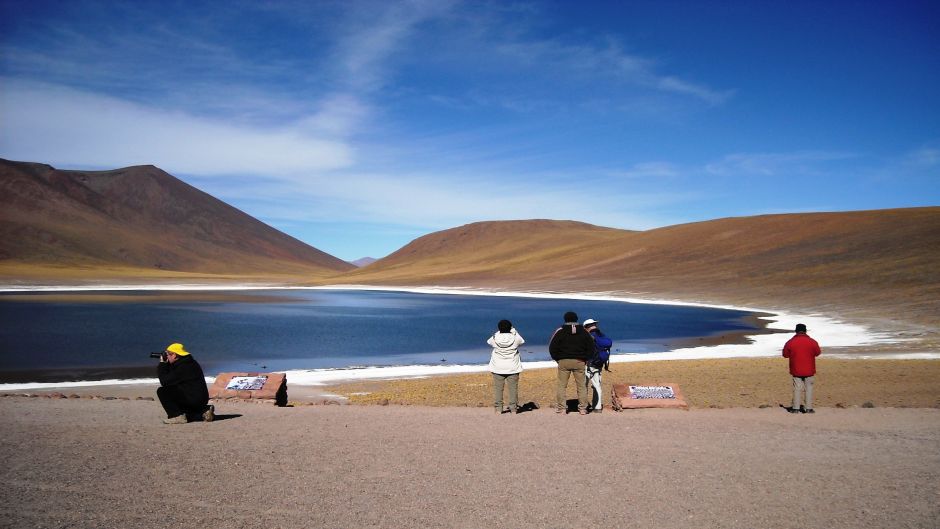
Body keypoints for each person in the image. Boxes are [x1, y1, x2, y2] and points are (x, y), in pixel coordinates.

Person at [156, 342, 214, 424]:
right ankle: (203, 411)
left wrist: (162, 364)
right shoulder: (190, 362)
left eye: (168, 354)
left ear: (175, 355)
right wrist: (167, 364)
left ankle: (176, 416)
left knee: (162, 391)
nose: (167, 356)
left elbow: (164, 382)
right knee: (176, 392)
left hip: (192, 399)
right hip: (201, 399)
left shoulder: (182, 367)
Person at [549, 311, 594, 414]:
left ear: (565, 319)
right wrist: (586, 359)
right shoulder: (584, 331)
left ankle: (562, 408)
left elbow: (552, 346)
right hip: (579, 361)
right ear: (576, 319)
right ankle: (582, 408)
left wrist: (557, 359)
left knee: (561, 386)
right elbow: (591, 346)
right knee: (581, 386)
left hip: (563, 361)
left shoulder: (560, 331)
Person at [487, 319, 525, 414]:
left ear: (499, 328)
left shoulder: (495, 338)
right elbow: (522, 341)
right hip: (513, 367)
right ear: (510, 327)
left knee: (498, 389)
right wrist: (514, 330)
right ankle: (513, 408)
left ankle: (498, 409)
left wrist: (498, 331)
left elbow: (489, 341)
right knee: (513, 389)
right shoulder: (515, 338)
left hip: (497, 367)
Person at [782, 323, 821, 414]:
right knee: (809, 388)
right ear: (805, 331)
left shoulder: (791, 342)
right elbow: (818, 352)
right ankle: (809, 408)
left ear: (796, 331)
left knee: (797, 388)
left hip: (796, 369)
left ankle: (795, 408)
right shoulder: (812, 342)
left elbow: (785, 355)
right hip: (809, 369)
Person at [583, 318, 612, 413]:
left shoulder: (589, 336)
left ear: (586, 327)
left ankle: (584, 406)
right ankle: (597, 406)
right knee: (597, 385)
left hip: (589, 364)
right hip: (599, 363)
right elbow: (608, 343)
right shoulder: (601, 335)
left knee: (584, 385)